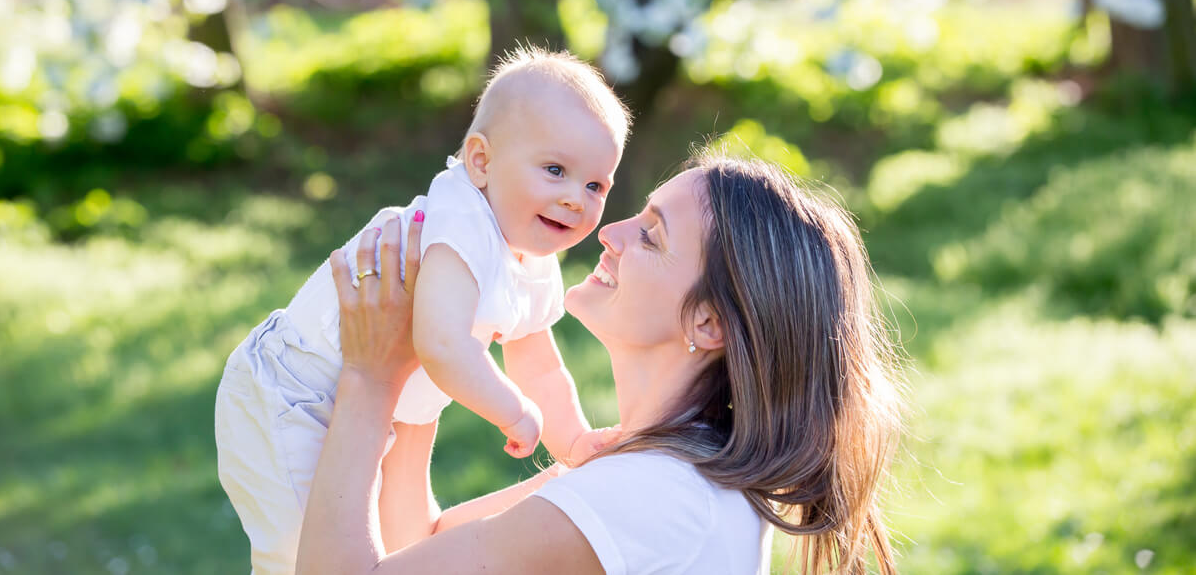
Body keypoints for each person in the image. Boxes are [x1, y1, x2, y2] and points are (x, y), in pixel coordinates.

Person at [297, 155, 904, 575]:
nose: (609, 231)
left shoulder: (650, 497)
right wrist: (423, 358)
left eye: (651, 236)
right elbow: (420, 549)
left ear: (709, 323)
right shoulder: (659, 474)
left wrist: (370, 378)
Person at [215, 48, 631, 574]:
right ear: (481, 161)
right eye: (555, 171)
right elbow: (441, 344)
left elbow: (541, 363)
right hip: (292, 390)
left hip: (367, 405)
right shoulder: (462, 222)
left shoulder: (530, 253)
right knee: (303, 549)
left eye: (595, 185)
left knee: (388, 552)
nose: (576, 198)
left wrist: (571, 440)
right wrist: (512, 409)